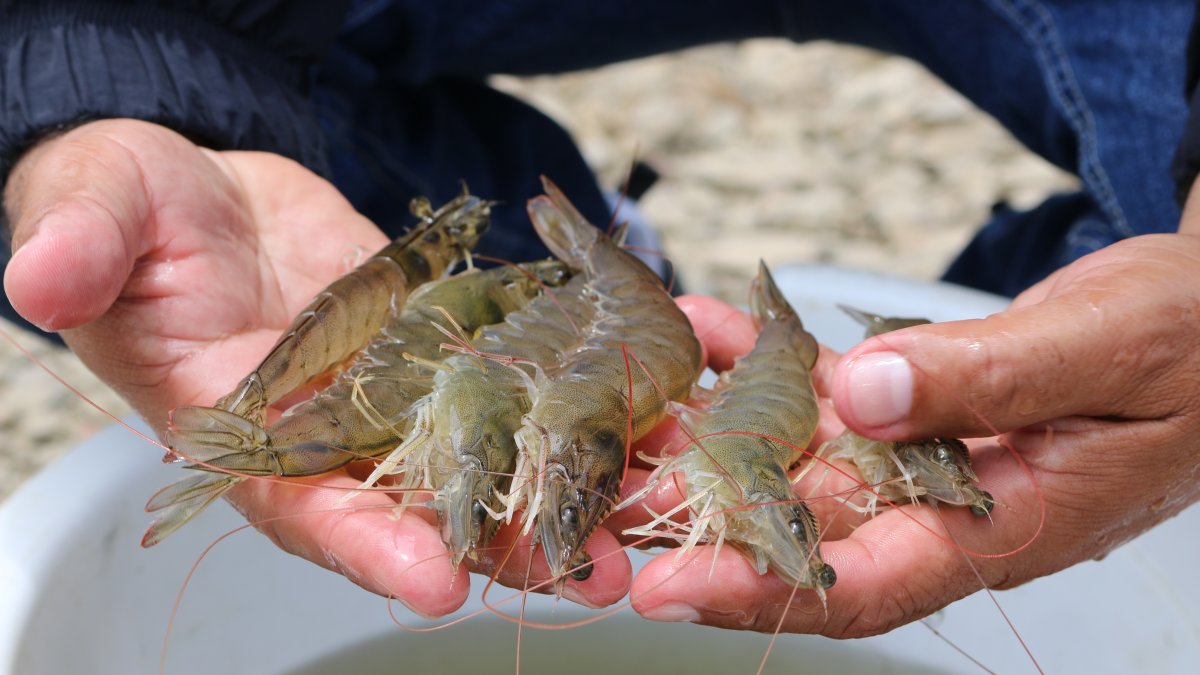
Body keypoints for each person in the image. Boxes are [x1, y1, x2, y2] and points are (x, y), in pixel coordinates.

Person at [4, 1, 1200, 634]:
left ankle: (1024, 300)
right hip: (547, 336)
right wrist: (105, 87)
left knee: (1147, 247)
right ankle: (598, 258)